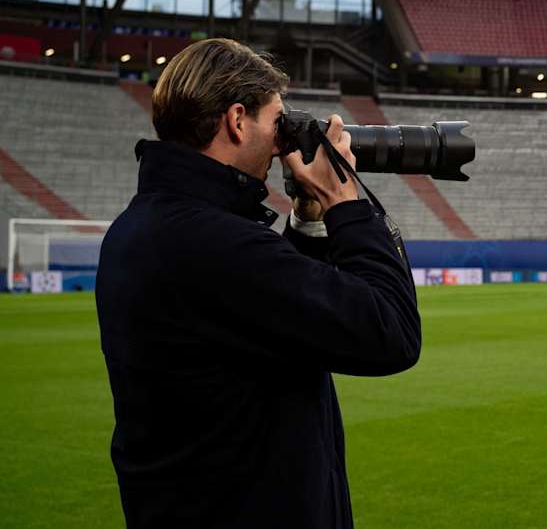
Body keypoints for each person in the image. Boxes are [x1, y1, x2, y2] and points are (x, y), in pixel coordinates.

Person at [95, 39, 422, 528]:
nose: (280, 144)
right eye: (277, 122)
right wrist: (346, 204)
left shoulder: (146, 227)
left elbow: (269, 319)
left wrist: (309, 222)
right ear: (237, 119)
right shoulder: (213, 244)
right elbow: (390, 333)